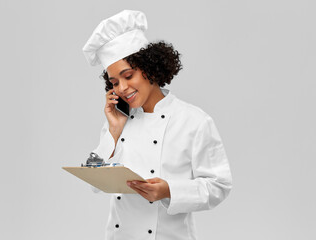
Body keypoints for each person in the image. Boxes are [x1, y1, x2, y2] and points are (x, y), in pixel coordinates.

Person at [82, 10, 232, 240]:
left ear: (150, 68)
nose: (121, 88)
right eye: (114, 82)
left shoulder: (194, 121)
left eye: (128, 75)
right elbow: (93, 180)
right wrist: (113, 130)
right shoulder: (118, 122)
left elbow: (219, 185)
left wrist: (169, 190)